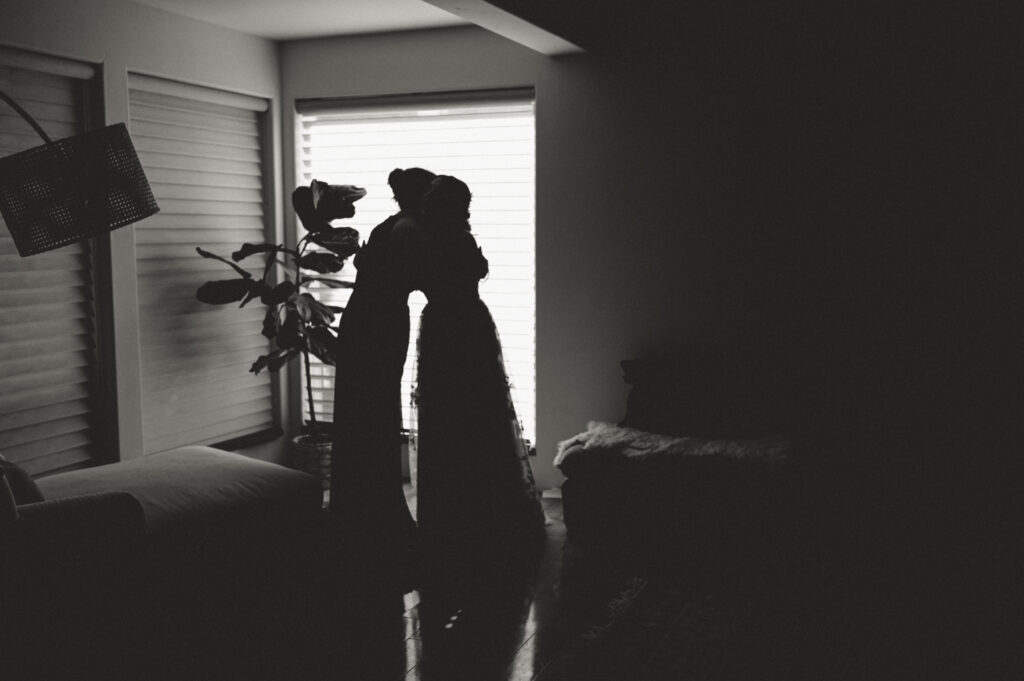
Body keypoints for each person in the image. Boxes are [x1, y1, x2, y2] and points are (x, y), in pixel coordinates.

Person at [411, 175, 545, 584]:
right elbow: (472, 272)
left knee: (453, 416)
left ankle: (453, 517)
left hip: (443, 327)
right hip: (467, 323)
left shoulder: (425, 239)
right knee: (478, 414)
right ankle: (485, 511)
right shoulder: (458, 240)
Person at [327, 167, 437, 579]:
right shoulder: (409, 230)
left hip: (365, 317)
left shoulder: (390, 225)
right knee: (374, 413)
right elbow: (425, 280)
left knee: (364, 412)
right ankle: (376, 518)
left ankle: (358, 511)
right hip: (382, 321)